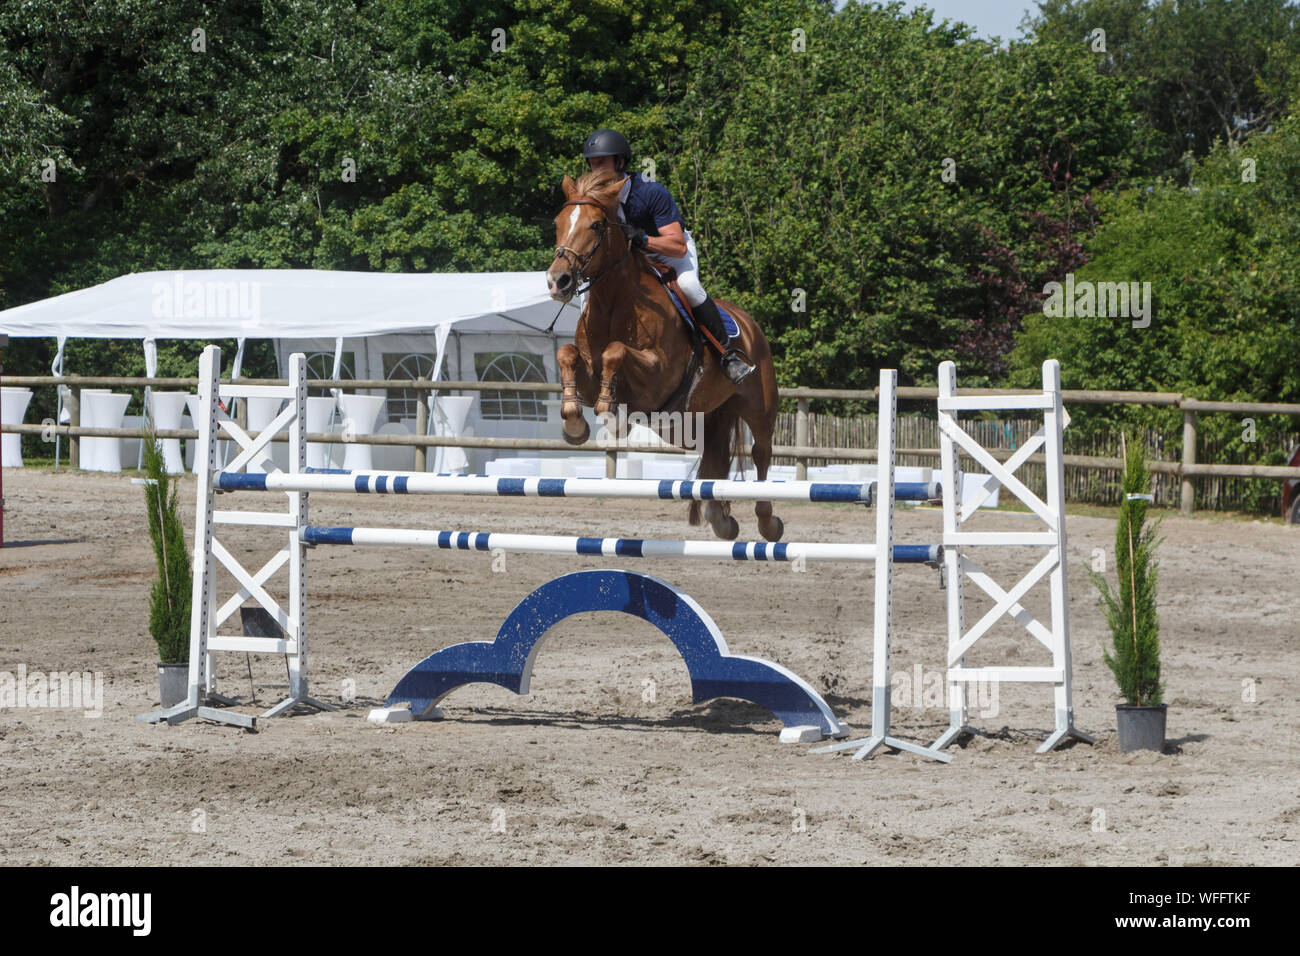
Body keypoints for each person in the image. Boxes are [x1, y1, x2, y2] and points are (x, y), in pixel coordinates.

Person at [582, 128, 755, 384]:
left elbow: (677, 246)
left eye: (601, 162)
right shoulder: (595, 199)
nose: (595, 169)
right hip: (630, 261)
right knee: (590, 291)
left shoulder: (650, 192)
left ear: (620, 162)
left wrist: (642, 239)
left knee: (689, 286)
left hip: (667, 253)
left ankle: (727, 355)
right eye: (591, 163)